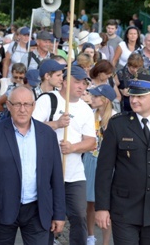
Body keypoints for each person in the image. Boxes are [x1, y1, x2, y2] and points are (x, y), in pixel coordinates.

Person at [95, 74, 150, 244]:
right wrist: (102, 207)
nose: (134, 100)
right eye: (132, 95)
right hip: (123, 208)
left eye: (140, 96)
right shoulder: (118, 124)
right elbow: (104, 170)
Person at [0, 85, 66, 244]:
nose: (22, 109)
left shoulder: (47, 134)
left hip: (38, 210)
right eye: (17, 104)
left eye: (27, 104)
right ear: (8, 106)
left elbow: (56, 177)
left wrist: (59, 213)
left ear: (33, 106)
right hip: (1, 211)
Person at [33, 65, 96, 245]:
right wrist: (56, 124)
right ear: (65, 82)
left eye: (84, 83)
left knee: (79, 215)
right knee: (46, 216)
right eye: (77, 82)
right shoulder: (48, 100)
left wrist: (73, 147)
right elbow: (30, 127)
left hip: (74, 174)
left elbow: (91, 142)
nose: (81, 86)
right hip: (48, 170)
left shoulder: (85, 109)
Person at [83, 84, 115, 245]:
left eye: (96, 96)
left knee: (106, 203)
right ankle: (90, 236)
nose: (92, 98)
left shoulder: (115, 118)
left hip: (108, 163)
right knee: (90, 202)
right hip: (90, 159)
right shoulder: (89, 114)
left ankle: (106, 241)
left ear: (105, 100)